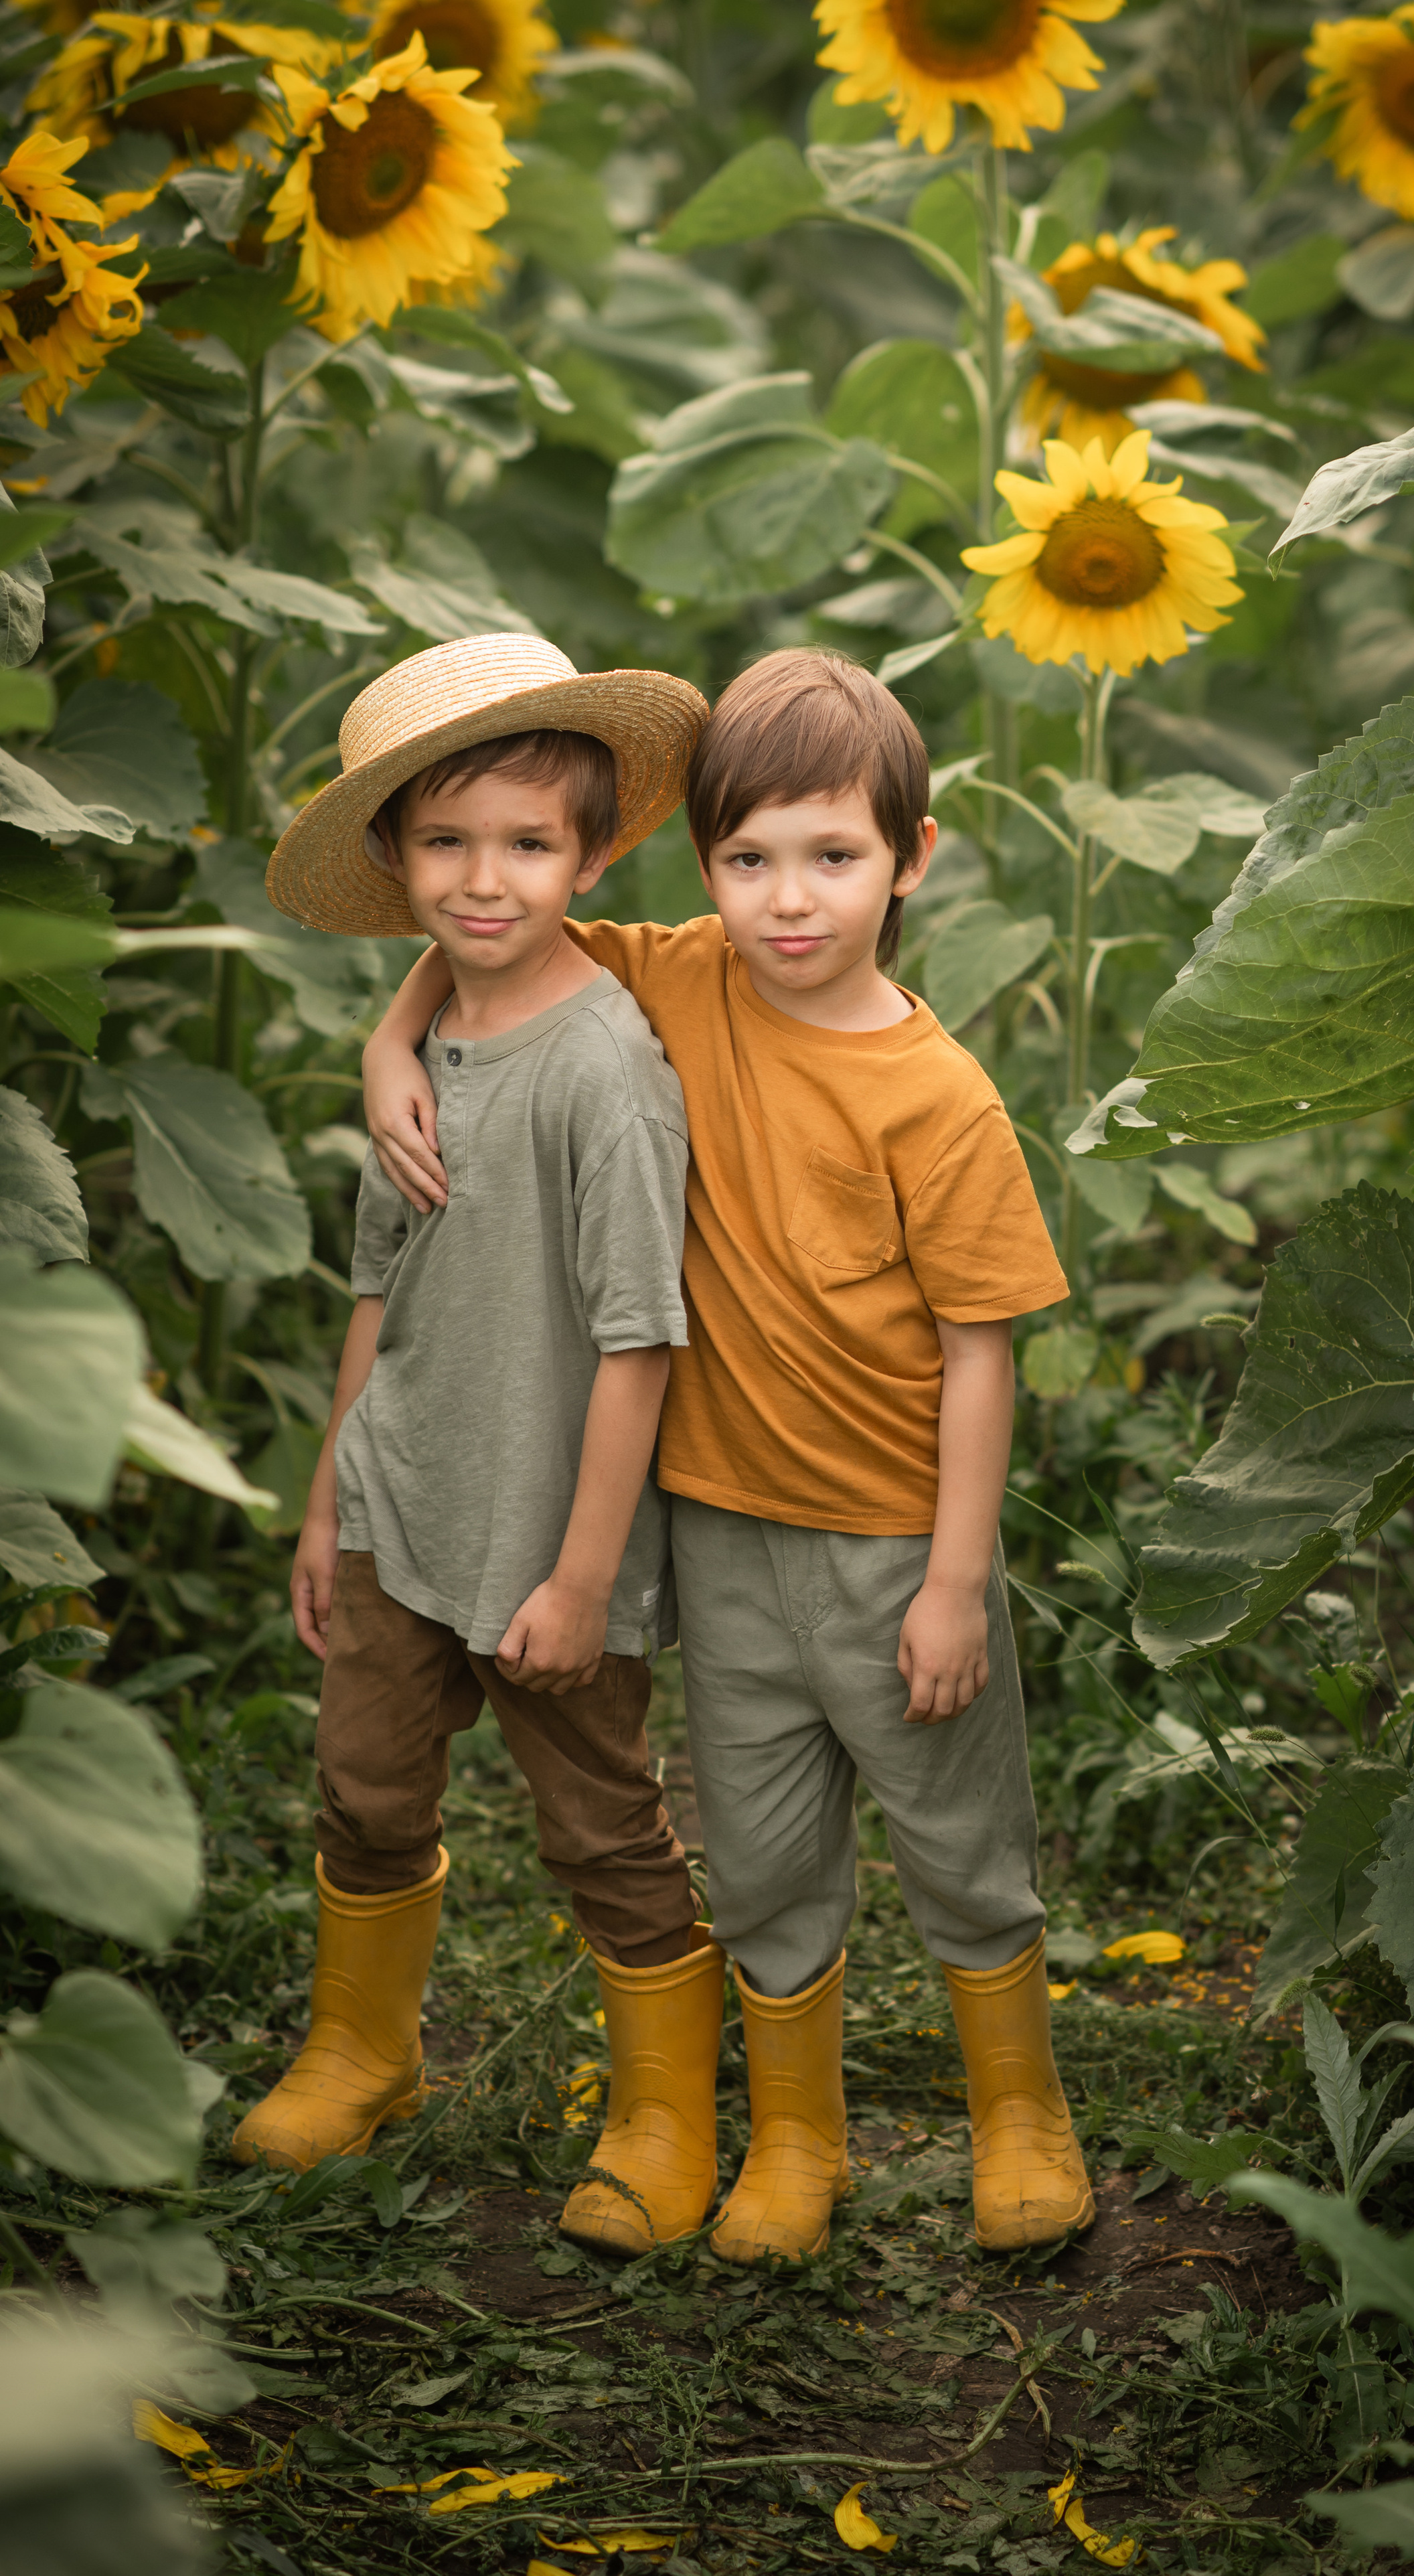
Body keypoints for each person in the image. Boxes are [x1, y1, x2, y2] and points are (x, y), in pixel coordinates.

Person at [363, 647, 1093, 2263]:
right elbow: (490, 944)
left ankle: (1020, 2115)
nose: (785, 901)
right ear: (704, 868)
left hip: (898, 1537)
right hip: (717, 1534)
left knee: (960, 1846)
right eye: (747, 859)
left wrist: (959, 1581)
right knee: (764, 1858)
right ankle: (799, 2142)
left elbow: (984, 1351)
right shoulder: (677, 975)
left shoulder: (938, 1097)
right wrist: (390, 1042)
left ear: (909, 858)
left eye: (831, 857)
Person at [244, 633, 726, 2261]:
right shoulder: (428, 1046)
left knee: (603, 1826)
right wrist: (328, 1500)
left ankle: (666, 2109)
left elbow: (637, 1338)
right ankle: (361, 2049)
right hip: (401, 1494)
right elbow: (382, 1283)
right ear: (392, 861)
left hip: (545, 1526)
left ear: (592, 858)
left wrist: (585, 1573)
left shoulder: (606, 1072)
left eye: (527, 843)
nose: (483, 878)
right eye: (444, 843)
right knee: (366, 1786)